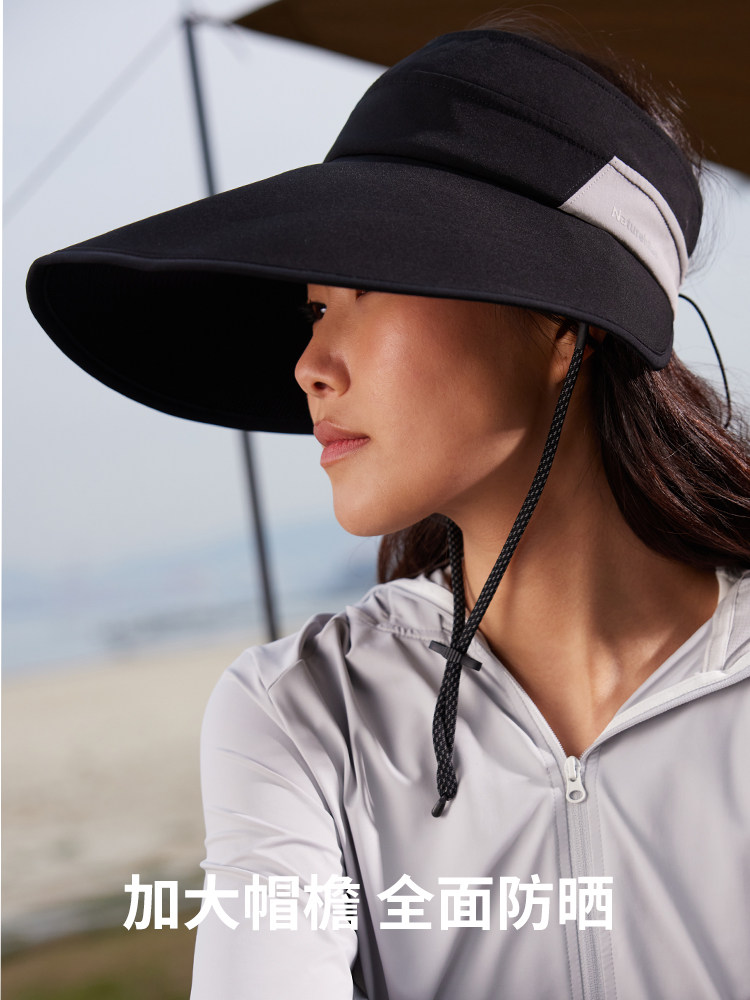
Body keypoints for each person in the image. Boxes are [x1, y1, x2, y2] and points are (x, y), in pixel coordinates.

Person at [26, 20, 750, 1000]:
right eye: (315, 308)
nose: (309, 366)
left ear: (560, 323)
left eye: (366, 287)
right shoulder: (305, 714)